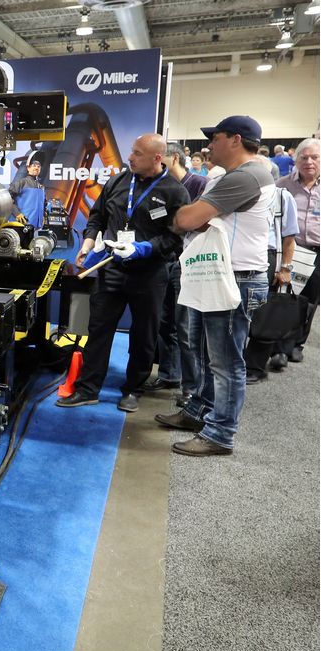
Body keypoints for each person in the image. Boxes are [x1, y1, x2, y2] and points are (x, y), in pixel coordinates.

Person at [157, 115, 274, 457]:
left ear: (235, 140)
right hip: (226, 275)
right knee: (210, 355)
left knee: (225, 362)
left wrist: (186, 215)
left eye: (216, 138)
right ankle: (199, 412)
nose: (209, 145)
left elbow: (187, 219)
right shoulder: (245, 175)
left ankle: (221, 433)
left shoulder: (246, 176)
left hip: (235, 279)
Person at [57, 134, 189, 413]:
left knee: (144, 334)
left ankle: (133, 389)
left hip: (150, 275)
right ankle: (88, 388)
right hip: (111, 268)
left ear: (156, 158)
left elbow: (174, 238)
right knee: (99, 329)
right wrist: (90, 241)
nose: (130, 157)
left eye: (137, 153)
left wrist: (143, 249)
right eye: (131, 151)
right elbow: (97, 216)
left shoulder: (174, 191)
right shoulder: (118, 181)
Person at [148, 142, 207, 399]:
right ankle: (169, 374)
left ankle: (191, 389)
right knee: (165, 322)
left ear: (173, 158)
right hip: (165, 261)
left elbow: (198, 224)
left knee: (187, 328)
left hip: (189, 265)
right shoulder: (159, 186)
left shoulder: (199, 185)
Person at [245, 156, 298, 383]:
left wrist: (285, 268)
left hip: (268, 258)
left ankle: (255, 367)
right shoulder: (241, 193)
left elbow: (289, 238)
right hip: (241, 258)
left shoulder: (282, 197)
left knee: (263, 314)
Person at [275, 138, 320, 364]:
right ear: (295, 159)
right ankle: (280, 347)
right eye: (304, 157)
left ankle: (298, 344)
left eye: (315, 157)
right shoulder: (282, 184)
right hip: (290, 249)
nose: (309, 162)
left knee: (310, 301)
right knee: (286, 298)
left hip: (317, 253)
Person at [8, 151, 46, 228]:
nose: (36, 168)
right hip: (21, 225)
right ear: (28, 168)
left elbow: (44, 204)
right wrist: (17, 213)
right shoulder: (21, 183)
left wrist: (43, 216)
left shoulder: (41, 187)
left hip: (37, 227)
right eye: (34, 165)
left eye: (39, 166)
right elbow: (7, 199)